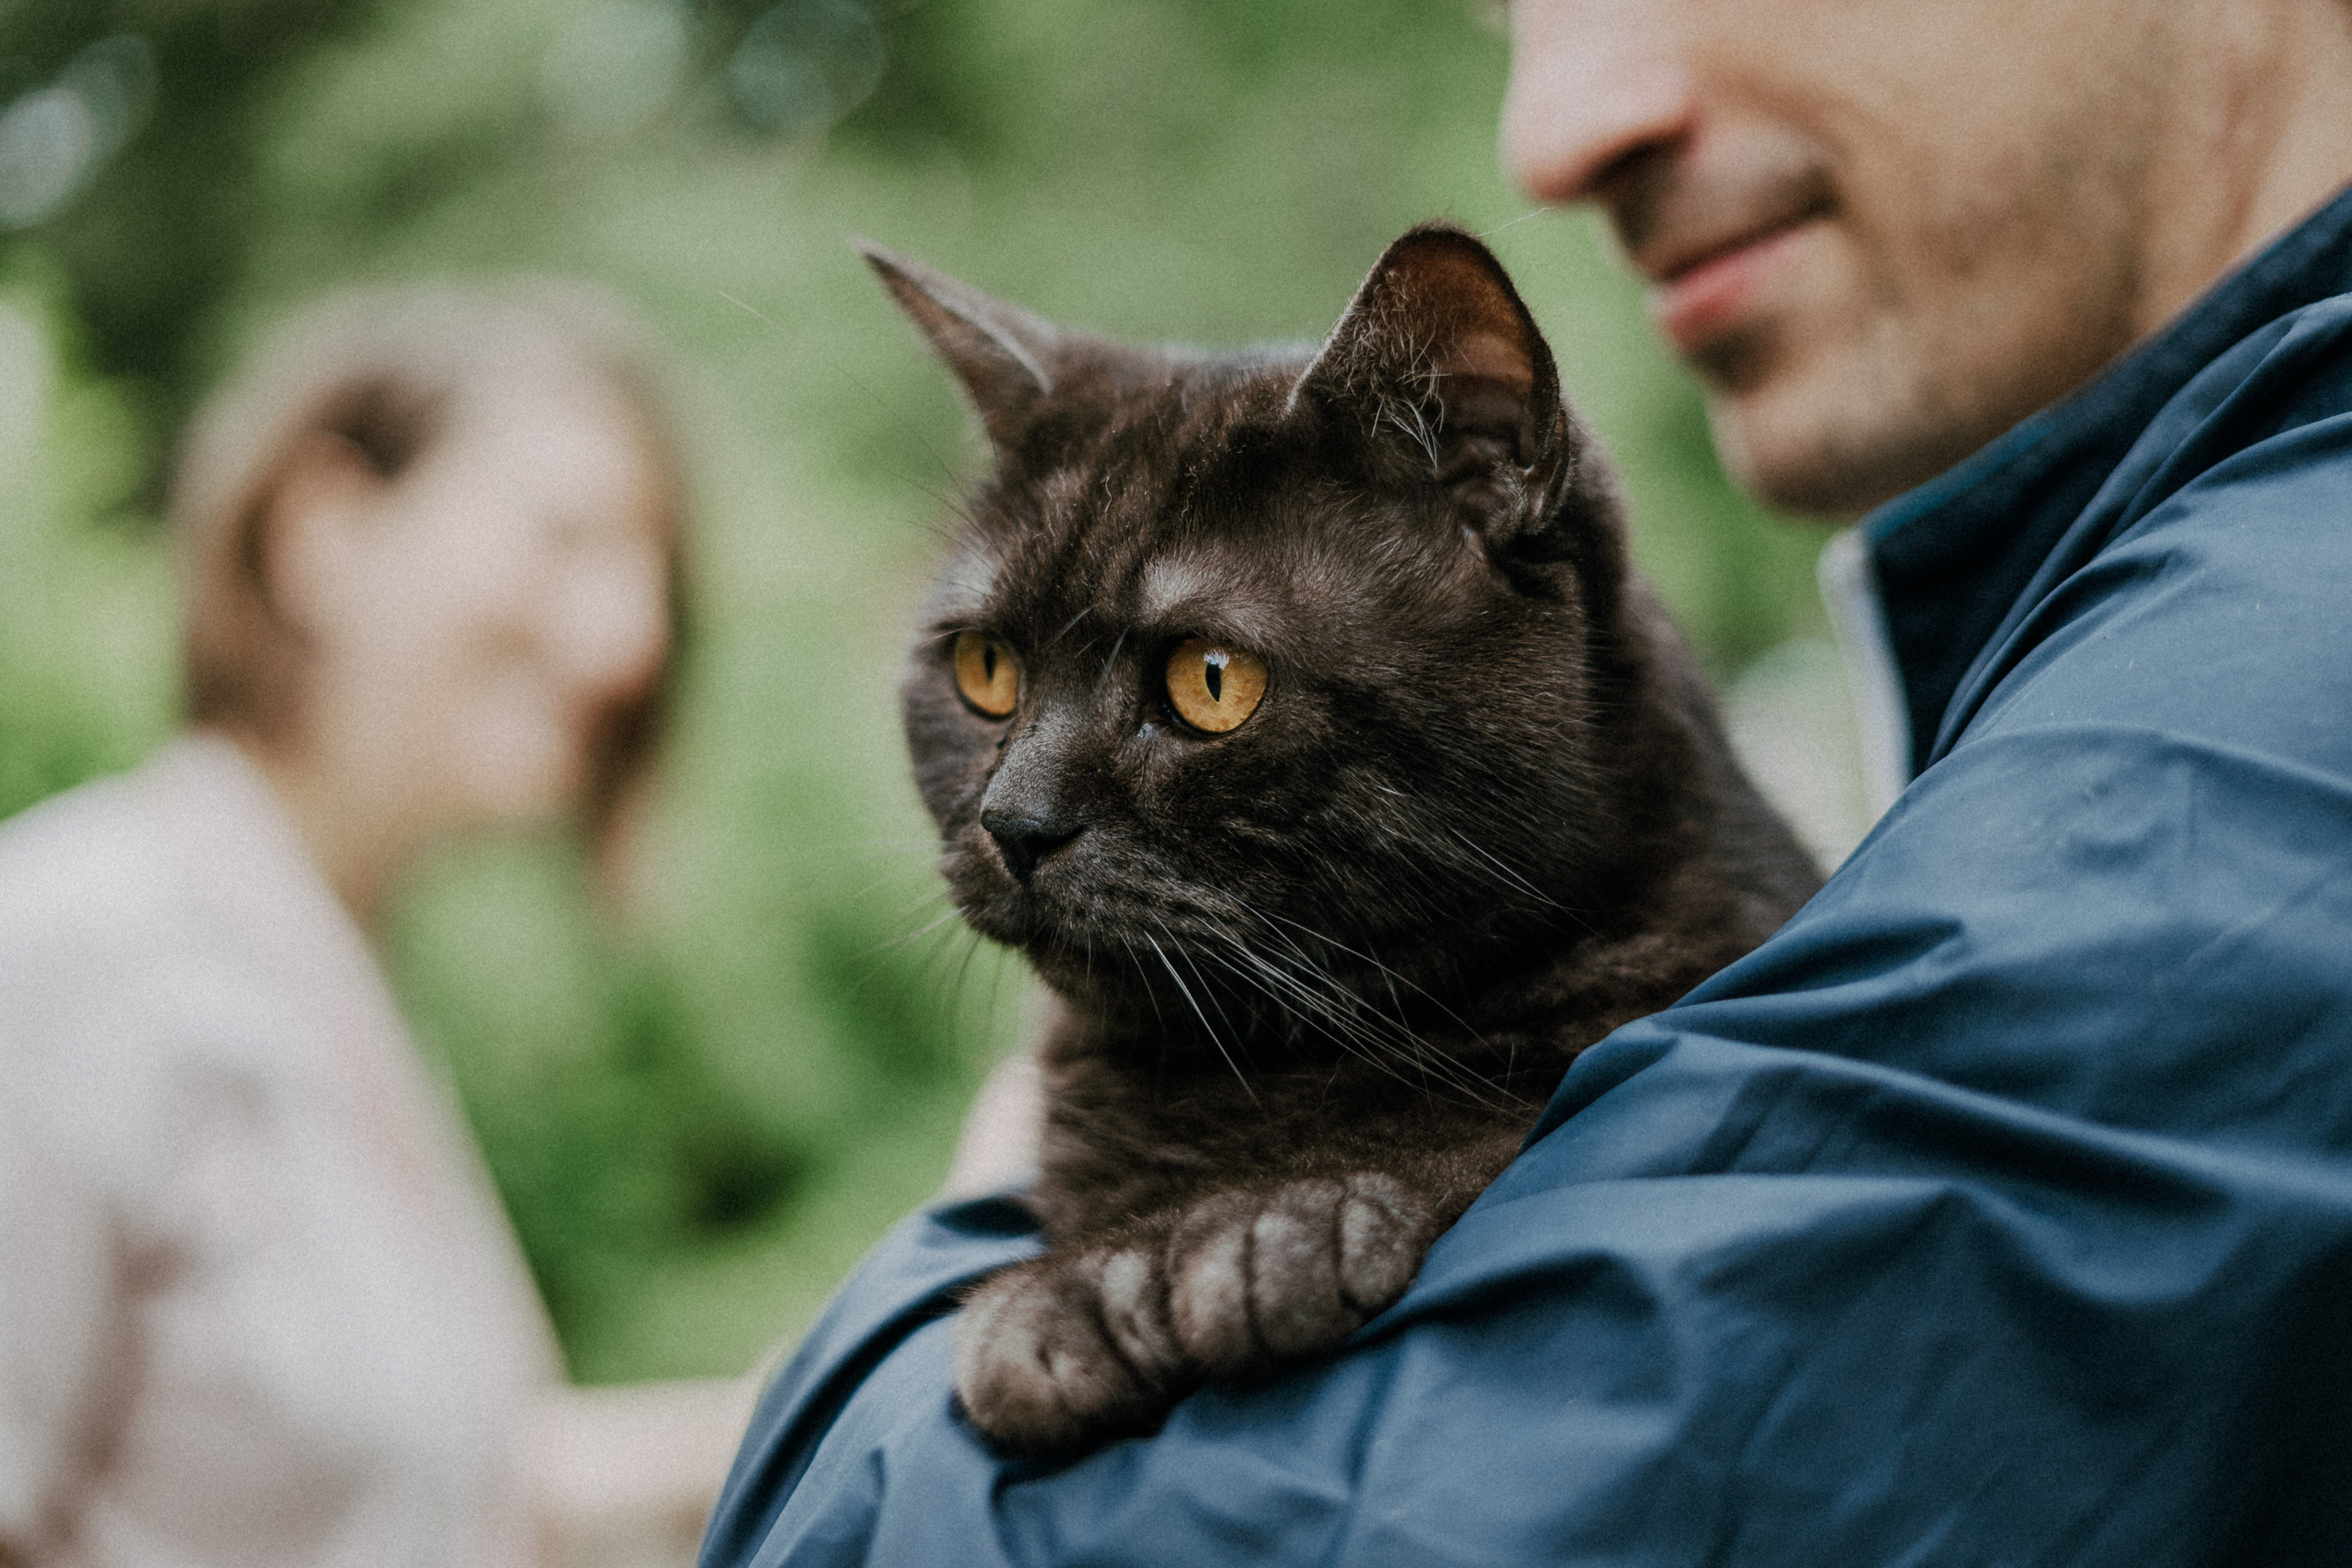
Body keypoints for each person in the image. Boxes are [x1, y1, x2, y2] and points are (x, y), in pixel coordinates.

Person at [702, 0, 2352, 1562]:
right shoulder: (2119, 650)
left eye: (1200, 684)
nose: (1554, 128)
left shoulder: (2261, 724)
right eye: (986, 680)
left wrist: (944, 1269)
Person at [0, 282, 752, 1568]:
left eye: (646, 574)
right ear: (325, 530)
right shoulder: (74, 947)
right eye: (566, 537)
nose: (631, 637)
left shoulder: (332, 978)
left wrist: (896, 1366)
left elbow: (454, 1489)